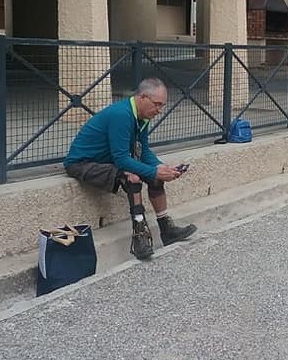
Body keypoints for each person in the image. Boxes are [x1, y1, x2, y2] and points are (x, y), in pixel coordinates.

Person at [63, 78, 196, 260]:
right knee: (132, 177)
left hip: (106, 161)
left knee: (156, 177)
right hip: (83, 163)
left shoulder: (142, 116)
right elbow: (122, 159)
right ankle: (140, 236)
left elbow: (144, 151)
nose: (159, 110)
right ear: (143, 97)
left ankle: (166, 229)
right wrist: (153, 171)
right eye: (157, 104)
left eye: (162, 106)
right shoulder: (122, 115)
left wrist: (160, 167)